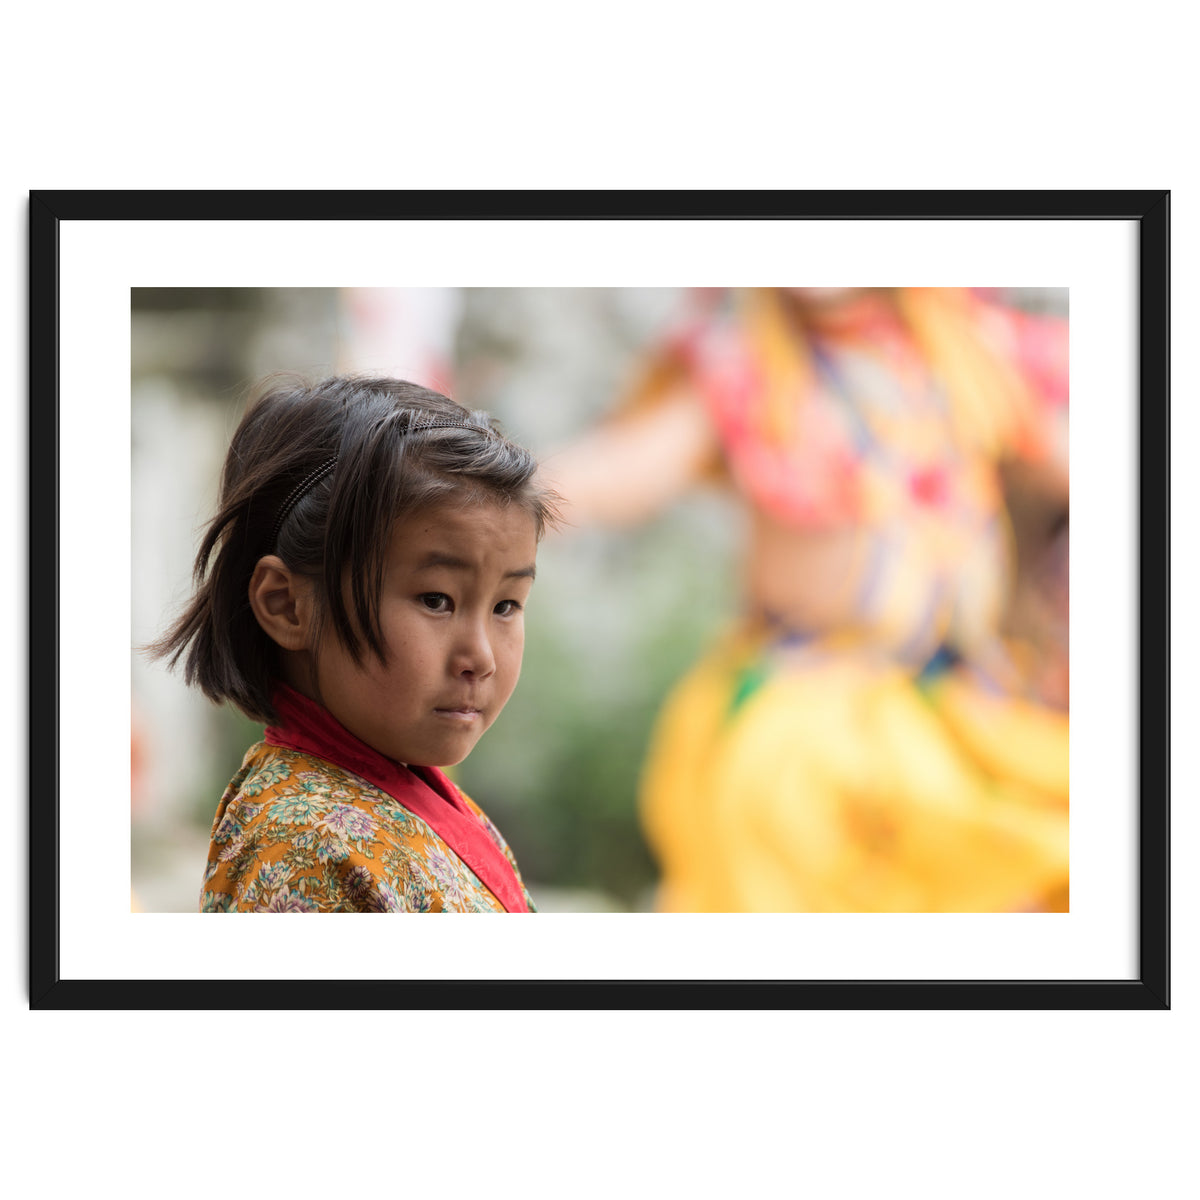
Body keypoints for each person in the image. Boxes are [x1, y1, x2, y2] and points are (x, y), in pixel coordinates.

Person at [543, 287, 1069, 913]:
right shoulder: (742, 361)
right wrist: (489, 493)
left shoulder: (963, 351)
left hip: (959, 706)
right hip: (810, 712)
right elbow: (624, 471)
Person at [150, 375, 560, 912]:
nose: (480, 657)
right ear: (287, 605)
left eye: (506, 605)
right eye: (436, 600)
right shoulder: (304, 849)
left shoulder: (411, 796)